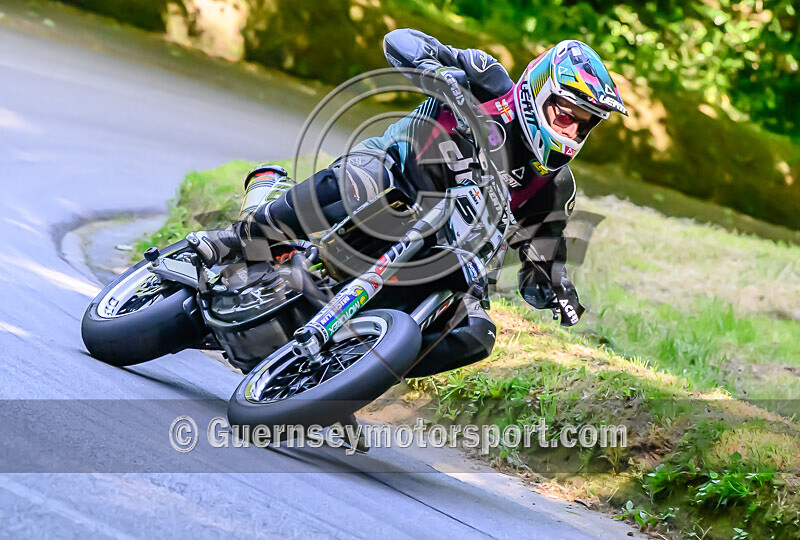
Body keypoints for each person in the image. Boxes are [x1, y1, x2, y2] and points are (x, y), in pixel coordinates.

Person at [187, 28, 627, 373]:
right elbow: (401, 41)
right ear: (539, 91)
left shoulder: (555, 186)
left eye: (583, 125)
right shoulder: (487, 78)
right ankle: (234, 239)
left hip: (448, 247)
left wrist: (557, 289)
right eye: (566, 115)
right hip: (395, 173)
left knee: (477, 331)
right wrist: (433, 69)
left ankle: (345, 376)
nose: (571, 132)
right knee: (364, 180)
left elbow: (544, 252)